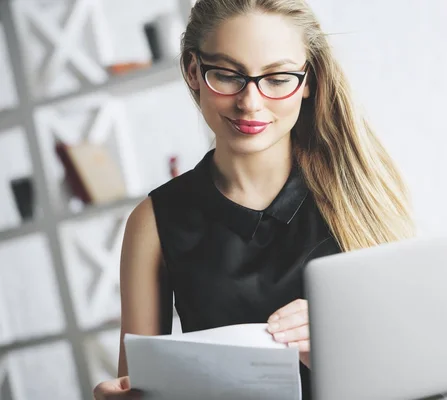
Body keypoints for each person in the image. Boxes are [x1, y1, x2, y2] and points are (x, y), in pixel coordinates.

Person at [93, 0, 415, 398]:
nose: (250, 103)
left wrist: (342, 351)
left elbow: (420, 364)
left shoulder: (361, 192)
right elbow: (139, 388)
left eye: (278, 78)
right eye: (227, 75)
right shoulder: (154, 223)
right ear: (193, 71)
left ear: (308, 80)